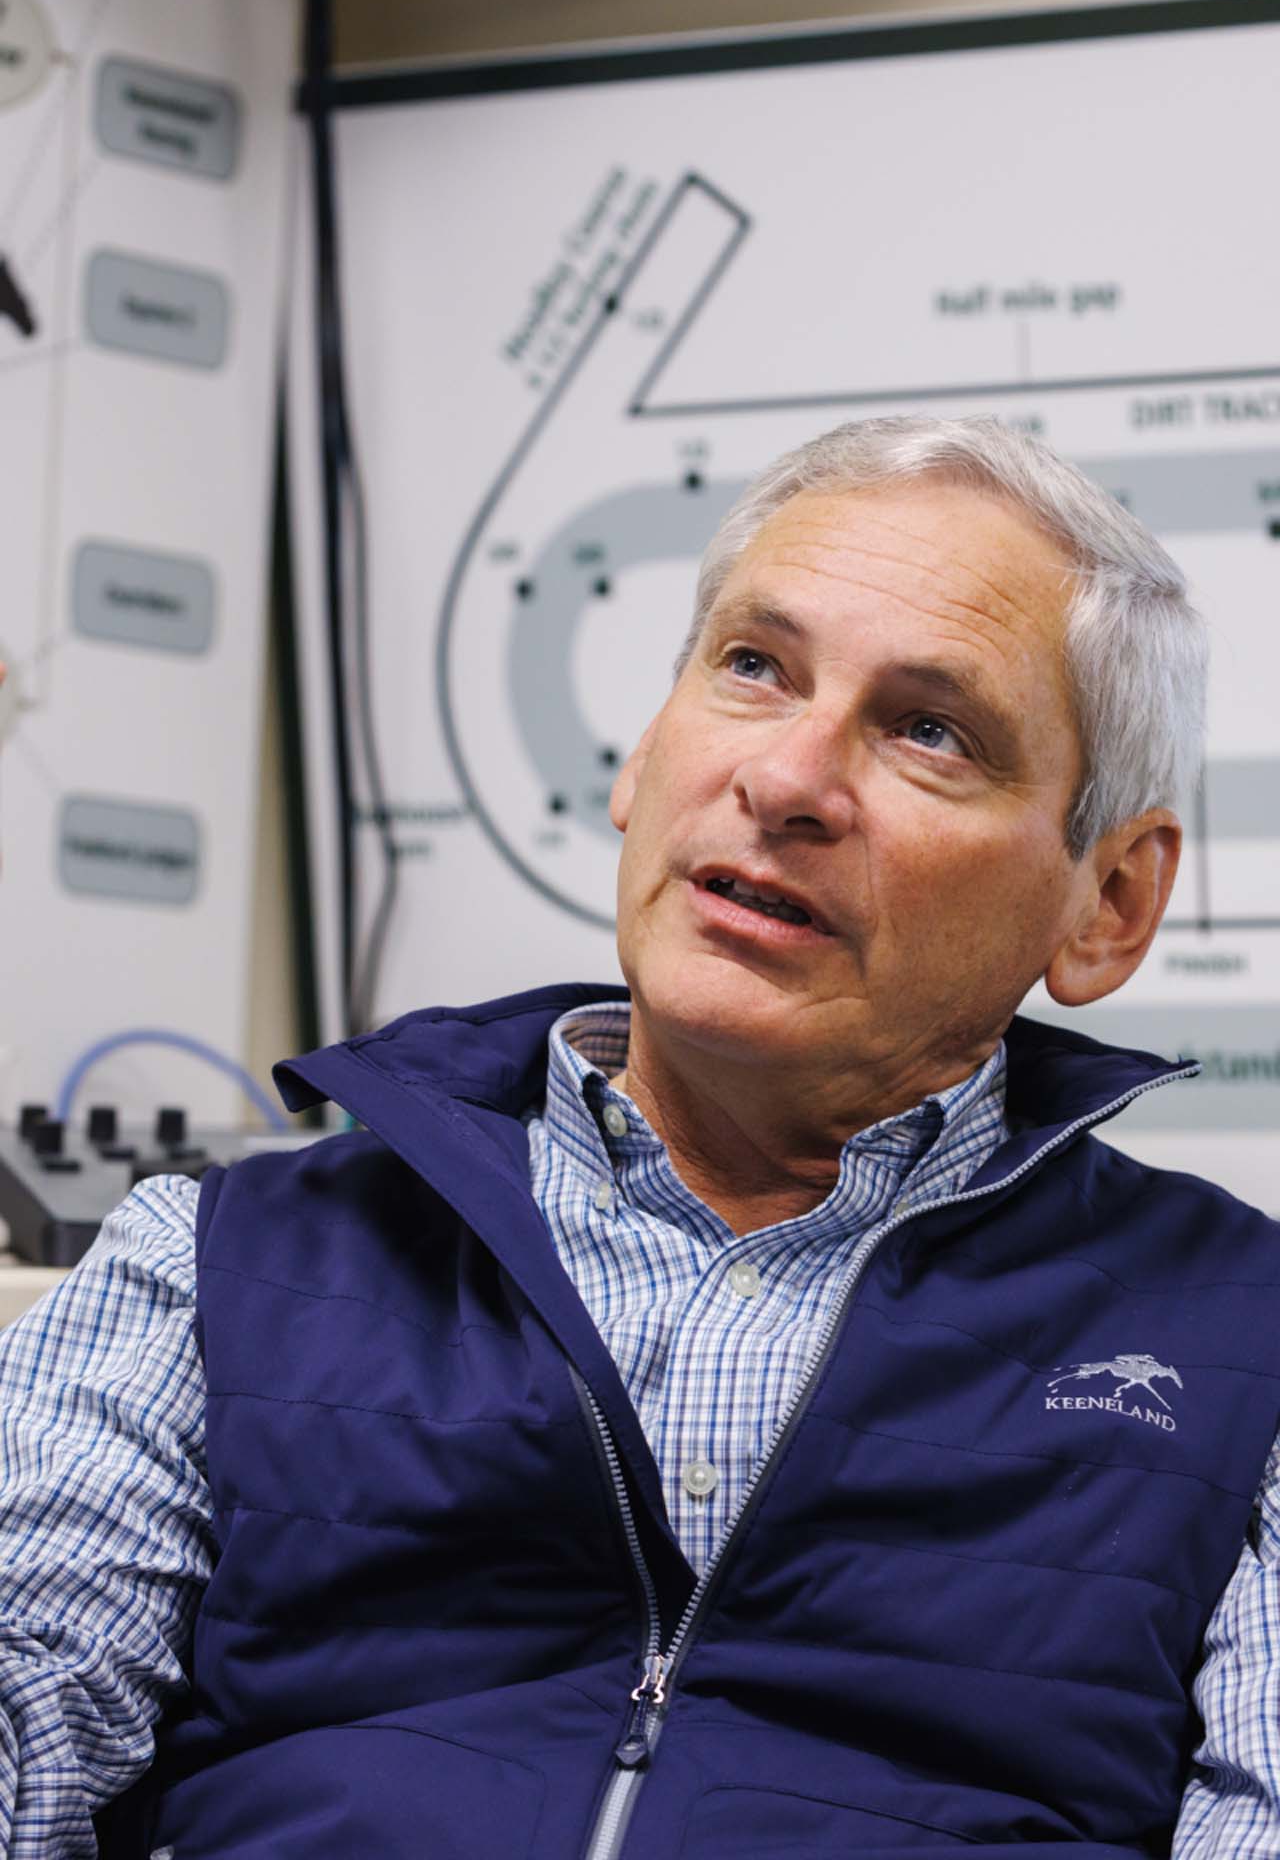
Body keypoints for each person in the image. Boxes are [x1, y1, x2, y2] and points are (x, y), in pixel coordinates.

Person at [0, 414, 1275, 1859]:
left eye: (931, 730)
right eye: (752, 668)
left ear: (1106, 901)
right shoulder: (212, 1269)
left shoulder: (1249, 1349)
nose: (788, 782)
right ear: (640, 756)